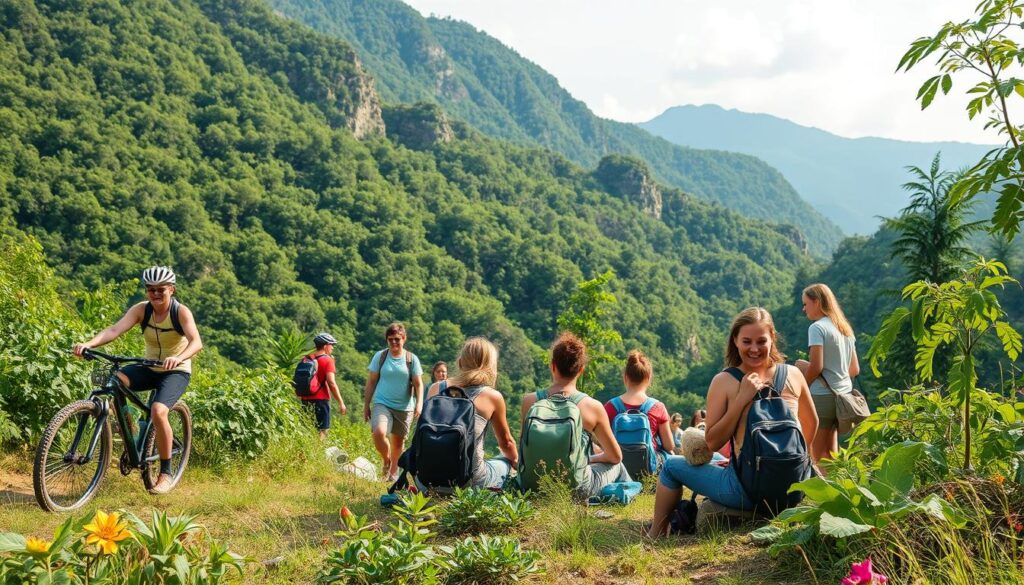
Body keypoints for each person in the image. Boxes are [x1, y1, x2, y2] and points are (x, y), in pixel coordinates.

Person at [646, 307, 817, 537]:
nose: (754, 348)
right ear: (735, 340)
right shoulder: (794, 374)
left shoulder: (724, 381)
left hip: (748, 491)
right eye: (747, 341)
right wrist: (787, 464)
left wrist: (741, 400)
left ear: (772, 339)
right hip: (794, 488)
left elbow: (713, 441)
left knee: (670, 466)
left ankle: (655, 534)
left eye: (760, 341)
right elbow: (812, 423)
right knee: (719, 460)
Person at [72, 266, 203, 495]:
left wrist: (178, 357)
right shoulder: (142, 310)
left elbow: (196, 342)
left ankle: (165, 473)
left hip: (176, 370)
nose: (155, 294)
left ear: (171, 289)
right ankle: (130, 429)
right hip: (149, 366)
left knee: (159, 411)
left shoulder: (180, 312)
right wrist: (88, 344)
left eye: (160, 290)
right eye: (150, 290)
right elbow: (114, 330)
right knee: (113, 381)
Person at [519, 332, 631, 500]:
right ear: (581, 369)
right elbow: (615, 456)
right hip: (576, 490)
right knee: (618, 466)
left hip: (532, 486)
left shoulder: (530, 401)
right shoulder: (593, 406)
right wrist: (587, 459)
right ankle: (630, 494)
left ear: (552, 366)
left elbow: (523, 446)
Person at [420, 337, 517, 490]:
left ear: (459, 363)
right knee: (503, 463)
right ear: (490, 366)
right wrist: (516, 462)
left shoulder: (436, 388)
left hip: (425, 481)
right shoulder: (493, 397)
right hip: (468, 483)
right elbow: (506, 443)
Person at [796, 283, 860, 463]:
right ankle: (839, 489)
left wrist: (803, 386)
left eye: (806, 303)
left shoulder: (817, 328)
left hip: (822, 398)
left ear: (816, 302)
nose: (804, 309)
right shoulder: (844, 328)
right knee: (832, 456)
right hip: (842, 397)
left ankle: (820, 490)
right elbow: (854, 369)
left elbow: (816, 367)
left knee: (815, 456)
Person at [363, 323, 424, 482]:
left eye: (397, 339)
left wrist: (419, 404)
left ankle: (392, 473)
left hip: (404, 408)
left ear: (404, 339)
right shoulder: (380, 356)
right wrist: (366, 406)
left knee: (398, 443)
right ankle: (386, 459)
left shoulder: (411, 359)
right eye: (390, 339)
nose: (394, 343)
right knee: (379, 432)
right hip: (382, 403)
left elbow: (418, 384)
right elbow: (371, 382)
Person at [603, 350, 674, 475]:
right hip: (648, 468)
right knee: (670, 455)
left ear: (625, 377)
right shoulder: (658, 407)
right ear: (649, 378)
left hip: (618, 467)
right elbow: (669, 446)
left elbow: (602, 443)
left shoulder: (610, 406)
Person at [301, 333, 347, 440]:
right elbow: (331, 382)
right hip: (321, 400)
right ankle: (317, 455)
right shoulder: (327, 360)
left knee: (308, 430)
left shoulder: (307, 359)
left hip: (305, 399)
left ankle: (305, 454)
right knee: (323, 430)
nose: (332, 348)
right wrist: (341, 402)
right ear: (325, 346)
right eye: (332, 345)